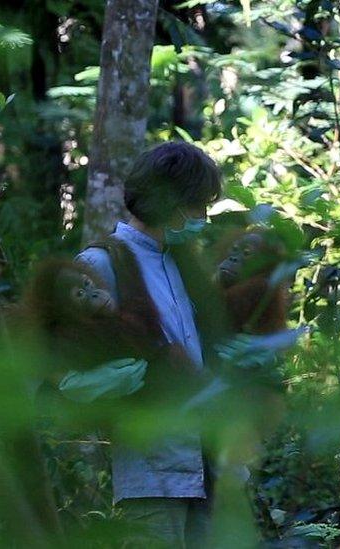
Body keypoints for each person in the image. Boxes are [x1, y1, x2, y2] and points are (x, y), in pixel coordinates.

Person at [76, 141, 221, 547]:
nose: (202, 217)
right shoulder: (102, 263)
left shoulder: (178, 262)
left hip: (205, 466)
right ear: (171, 202)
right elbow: (66, 361)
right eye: (196, 205)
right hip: (151, 472)